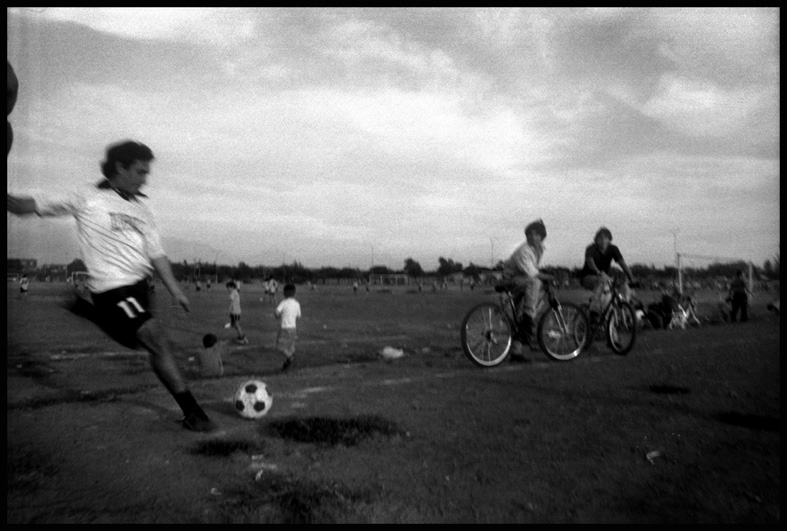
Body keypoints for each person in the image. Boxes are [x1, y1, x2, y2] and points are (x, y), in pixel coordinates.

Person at [6, 140, 216, 432]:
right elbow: (27, 206)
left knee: (137, 342)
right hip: (112, 287)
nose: (145, 178)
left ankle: (87, 311)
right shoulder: (87, 196)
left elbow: (157, 254)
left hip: (140, 287)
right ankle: (194, 414)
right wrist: (12, 202)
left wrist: (176, 290)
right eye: (141, 171)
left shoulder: (143, 210)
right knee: (155, 339)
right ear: (120, 167)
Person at [501, 219, 551, 355]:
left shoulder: (539, 249)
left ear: (542, 237)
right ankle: (528, 316)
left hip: (522, 280)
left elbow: (533, 268)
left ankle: (516, 352)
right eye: (529, 234)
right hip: (512, 280)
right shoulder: (524, 250)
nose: (532, 237)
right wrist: (550, 277)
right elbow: (532, 273)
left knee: (521, 318)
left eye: (536, 234)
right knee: (535, 283)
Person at [579, 227, 635, 317]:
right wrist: (598, 272)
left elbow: (622, 264)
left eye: (606, 238)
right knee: (602, 281)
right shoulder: (591, 248)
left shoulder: (613, 249)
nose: (603, 240)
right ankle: (594, 310)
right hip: (587, 277)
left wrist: (631, 277)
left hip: (605, 277)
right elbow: (590, 262)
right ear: (596, 240)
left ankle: (624, 313)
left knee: (624, 285)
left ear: (609, 240)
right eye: (600, 238)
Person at [275, 283, 301, 371]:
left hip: (285, 328)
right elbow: (298, 316)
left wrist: (278, 316)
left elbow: (277, 312)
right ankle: (288, 364)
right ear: (294, 293)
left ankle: (291, 359)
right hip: (293, 328)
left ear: (285, 293)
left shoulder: (284, 302)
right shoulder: (297, 303)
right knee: (290, 346)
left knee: (280, 346)